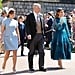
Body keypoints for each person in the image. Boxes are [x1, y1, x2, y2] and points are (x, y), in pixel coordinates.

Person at [26, 3, 46, 71]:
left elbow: (42, 25)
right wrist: (28, 34)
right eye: (38, 7)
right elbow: (27, 26)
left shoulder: (41, 15)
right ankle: (31, 67)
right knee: (31, 52)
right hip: (33, 36)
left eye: (40, 8)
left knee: (42, 51)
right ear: (34, 8)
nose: (40, 9)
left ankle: (41, 66)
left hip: (41, 36)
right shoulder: (29, 16)